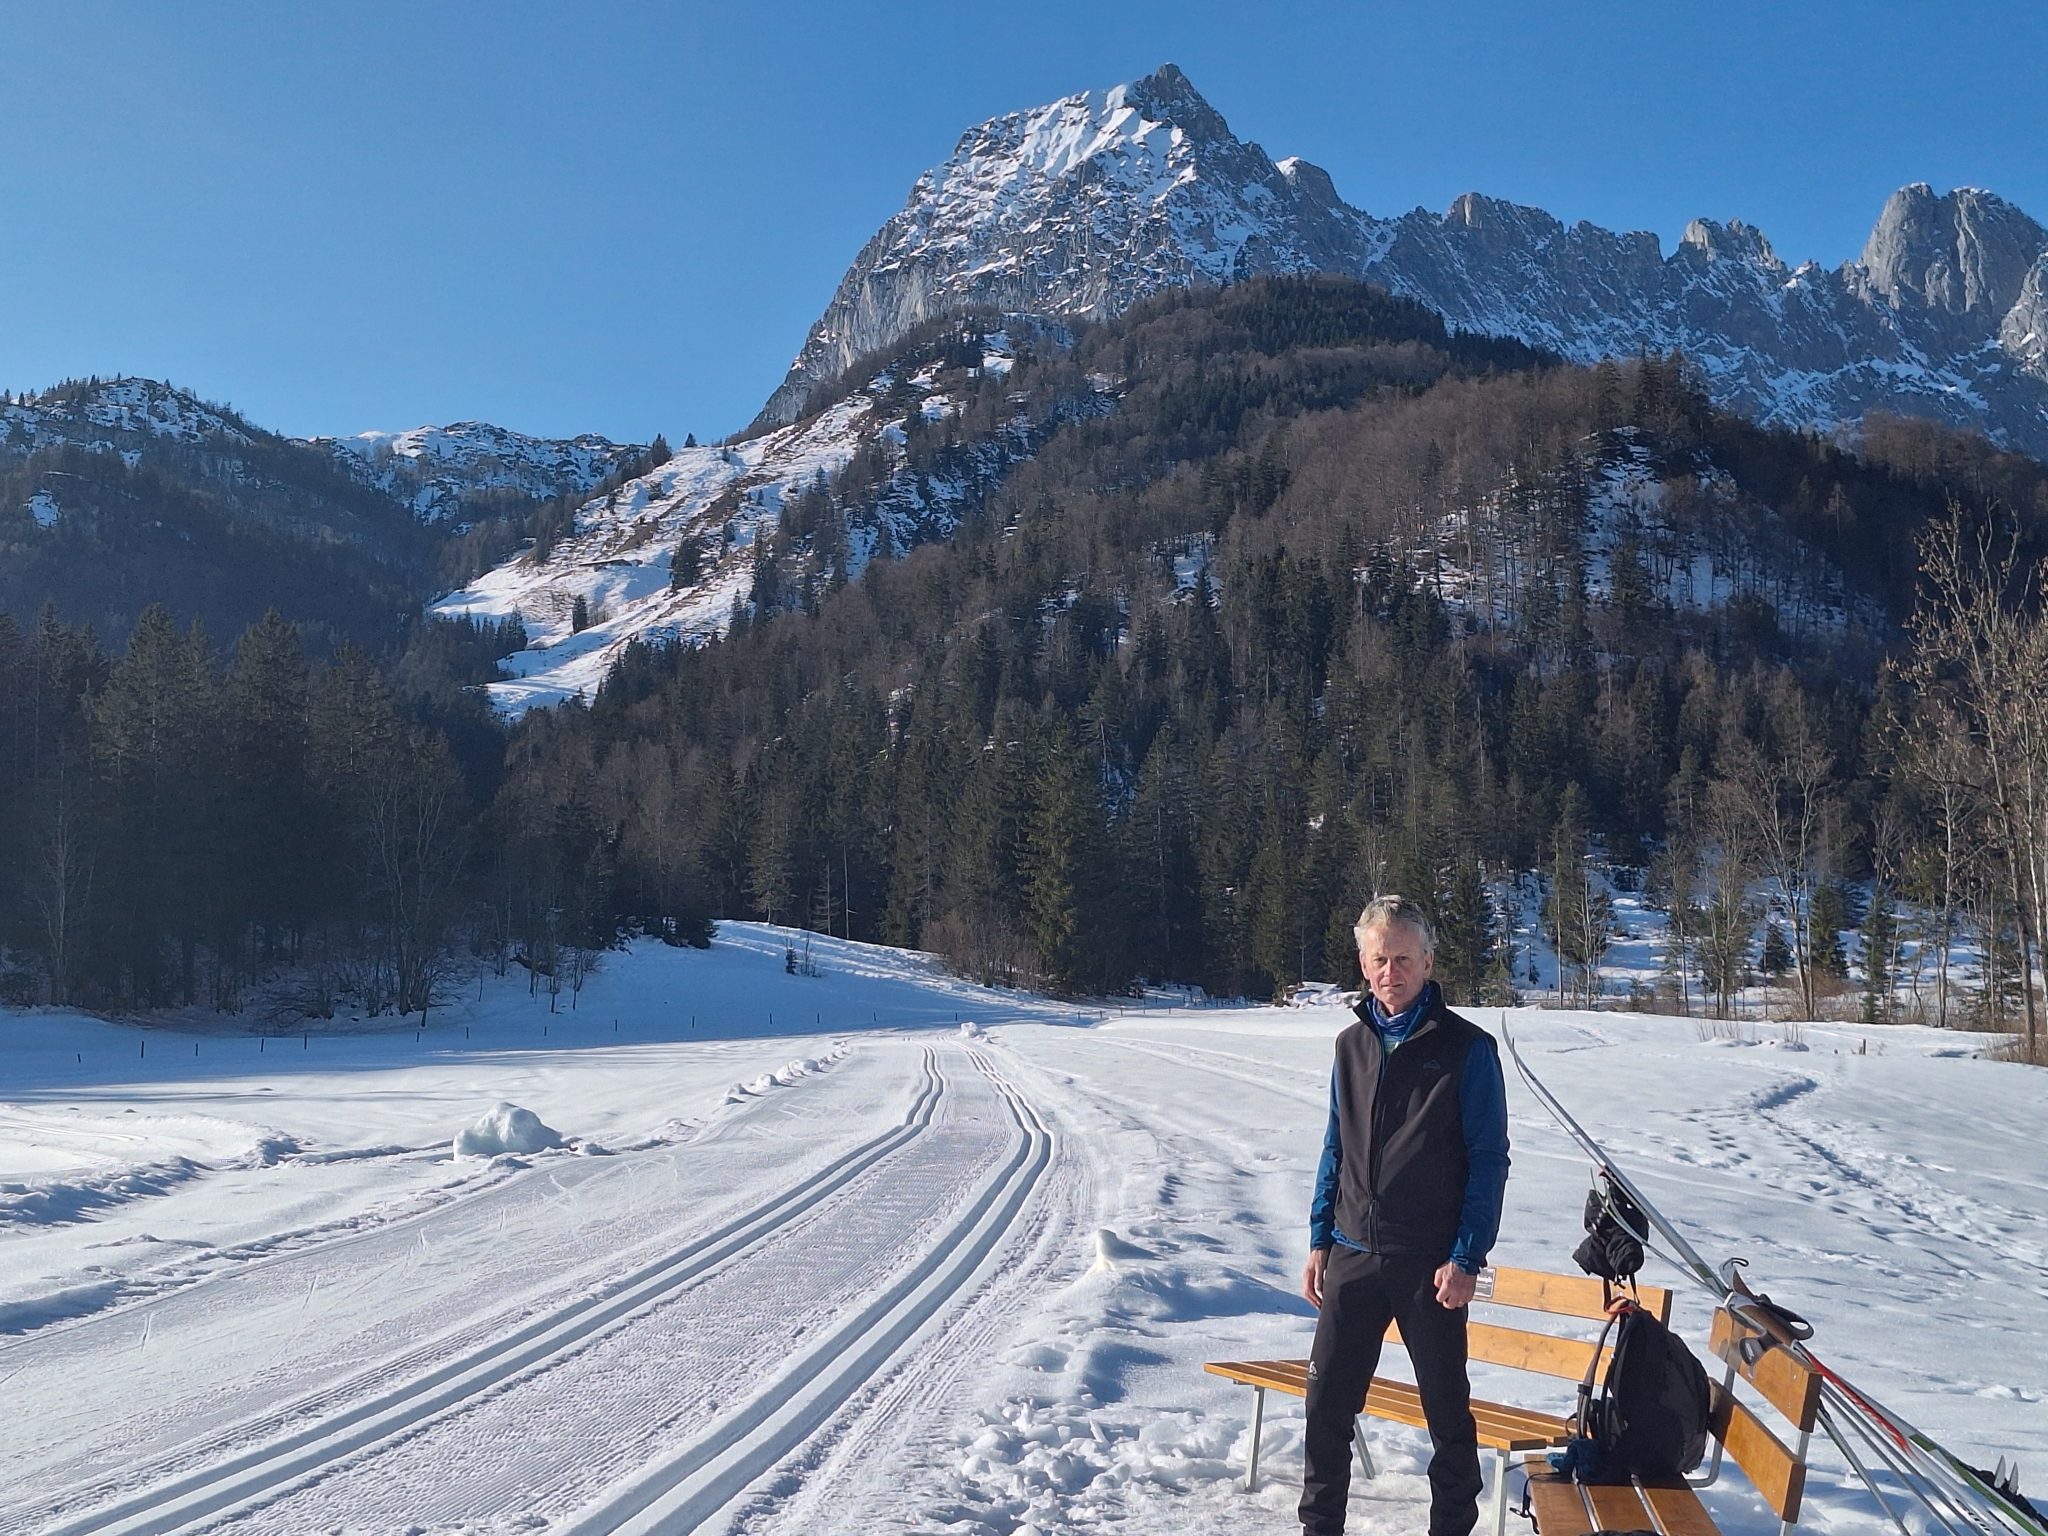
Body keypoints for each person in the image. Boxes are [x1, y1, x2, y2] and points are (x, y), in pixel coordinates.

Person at [1299, 894, 1510, 1536]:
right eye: (1379, 959)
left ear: (1428, 961)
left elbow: (1489, 1159)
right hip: (1353, 1254)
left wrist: (1467, 1256)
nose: (1391, 971)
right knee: (1326, 1410)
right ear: (1364, 965)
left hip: (1431, 1264)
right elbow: (1336, 1144)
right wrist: (1319, 1240)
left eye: (1404, 958)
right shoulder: (1350, 1044)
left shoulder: (1467, 1049)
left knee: (1448, 1414)